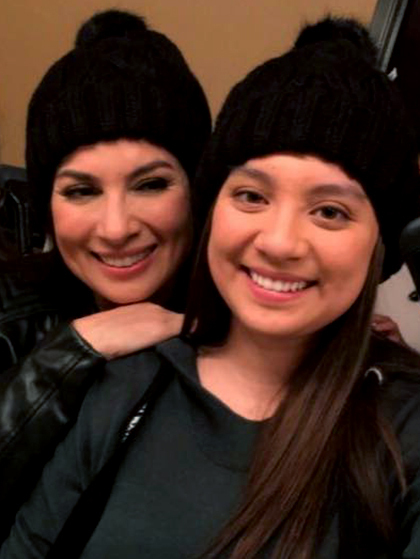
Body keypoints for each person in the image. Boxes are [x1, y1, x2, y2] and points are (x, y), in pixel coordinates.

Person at [3, 16, 420, 559]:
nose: (116, 227)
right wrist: (71, 353)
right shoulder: (98, 367)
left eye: (330, 211)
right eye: (252, 196)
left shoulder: (398, 422)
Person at [0, 9, 211, 541]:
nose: (116, 229)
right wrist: (70, 355)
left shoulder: (243, 326)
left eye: (151, 184)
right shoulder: (8, 310)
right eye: (81, 191)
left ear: (197, 192)